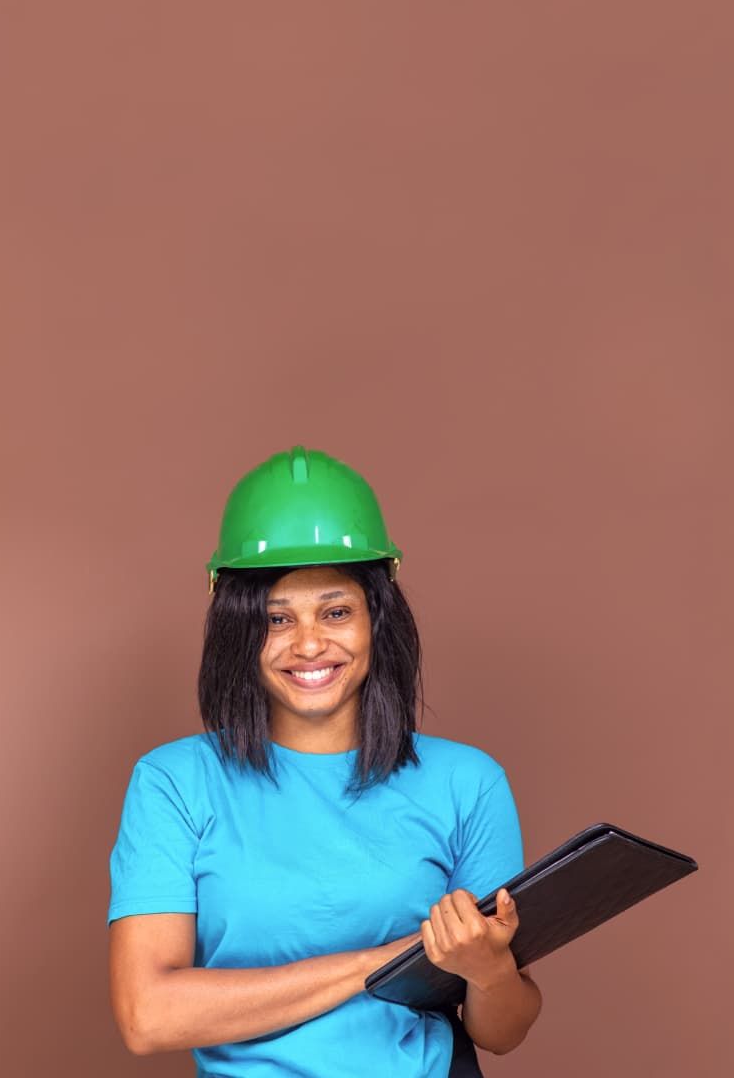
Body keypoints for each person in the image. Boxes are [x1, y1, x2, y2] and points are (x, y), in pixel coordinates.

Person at [107, 445, 542, 1076]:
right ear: (238, 632)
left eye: (336, 612)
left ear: (376, 623)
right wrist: (392, 959)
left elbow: (503, 1032)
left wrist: (489, 969)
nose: (309, 643)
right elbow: (148, 1016)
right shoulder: (174, 784)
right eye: (276, 619)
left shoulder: (467, 783)